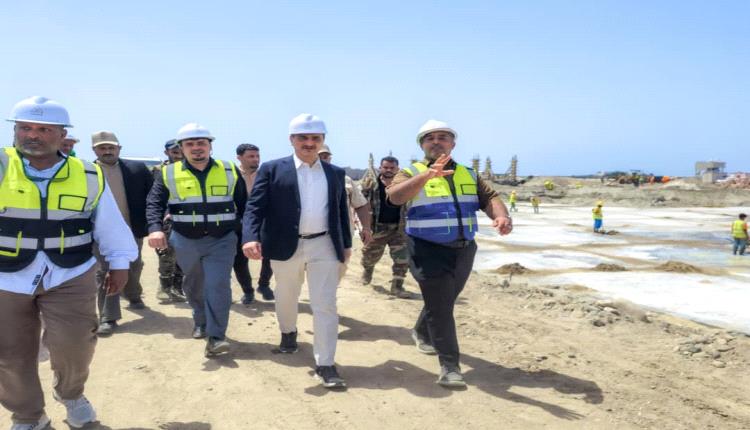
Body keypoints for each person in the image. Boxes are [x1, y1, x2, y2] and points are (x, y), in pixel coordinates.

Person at [0, 96, 137, 429]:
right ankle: (28, 415)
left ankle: (71, 394)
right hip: (5, 276)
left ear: (63, 134)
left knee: (76, 343)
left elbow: (108, 221)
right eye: (25, 128)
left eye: (44, 129)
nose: (33, 135)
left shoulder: (88, 173)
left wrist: (120, 261)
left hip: (71, 272)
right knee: (8, 354)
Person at [387, 119, 512, 388]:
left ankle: (421, 331)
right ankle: (450, 366)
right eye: (429, 138)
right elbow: (395, 197)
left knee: (444, 300)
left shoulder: (469, 173)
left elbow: (490, 197)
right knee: (441, 307)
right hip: (426, 248)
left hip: (463, 249)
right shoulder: (410, 173)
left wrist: (501, 216)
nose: (436, 142)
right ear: (422, 145)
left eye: (442, 137)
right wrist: (427, 176)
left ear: (452, 144)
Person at [243, 114, 352, 389]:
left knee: (325, 303)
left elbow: (341, 212)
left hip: (324, 244)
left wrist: (346, 245)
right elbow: (255, 207)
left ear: (322, 141)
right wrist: (250, 237)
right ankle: (288, 333)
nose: (309, 143)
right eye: (303, 138)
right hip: (284, 244)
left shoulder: (335, 173)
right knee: (286, 294)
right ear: (292, 140)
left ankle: (325, 364)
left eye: (316, 138)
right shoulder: (272, 169)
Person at [146, 123, 246, 357]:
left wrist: (249, 236)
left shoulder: (229, 169)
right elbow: (154, 202)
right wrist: (155, 229)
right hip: (185, 239)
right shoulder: (168, 173)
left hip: (222, 239)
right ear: (181, 148)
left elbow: (245, 205)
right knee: (194, 284)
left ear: (210, 146)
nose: (196, 148)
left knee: (218, 285)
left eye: (201, 143)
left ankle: (216, 336)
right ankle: (200, 320)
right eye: (190, 144)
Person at [91, 131, 154, 335]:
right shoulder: (87, 172)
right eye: (102, 148)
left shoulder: (137, 169)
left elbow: (153, 196)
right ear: (94, 150)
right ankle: (108, 317)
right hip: (100, 232)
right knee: (105, 270)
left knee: (133, 265)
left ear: (119, 149)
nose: (107, 151)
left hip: (131, 228)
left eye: (111, 147)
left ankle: (133, 294)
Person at [359, 156, 410, 298]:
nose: (388, 170)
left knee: (403, 258)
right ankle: (368, 270)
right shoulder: (371, 184)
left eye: (392, 168)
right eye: (385, 167)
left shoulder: (404, 184)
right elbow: (361, 203)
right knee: (369, 256)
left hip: (399, 228)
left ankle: (397, 286)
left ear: (397, 169)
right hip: (378, 228)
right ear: (380, 168)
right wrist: (364, 225)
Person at [234, 143, 274, 304]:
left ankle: (264, 285)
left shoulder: (266, 174)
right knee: (240, 259)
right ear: (239, 158)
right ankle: (247, 291)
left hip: (264, 220)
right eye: (251, 156)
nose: (255, 159)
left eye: (257, 156)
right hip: (239, 221)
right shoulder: (232, 174)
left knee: (270, 254)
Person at [151, 139, 186, 302]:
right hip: (164, 218)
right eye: (174, 152)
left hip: (185, 217)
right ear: (167, 153)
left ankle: (177, 288)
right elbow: (154, 197)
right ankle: (164, 287)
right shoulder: (159, 170)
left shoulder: (190, 168)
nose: (178, 155)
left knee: (183, 254)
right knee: (166, 253)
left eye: (180, 151)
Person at [317, 144, 372, 246]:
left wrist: (366, 228)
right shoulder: (301, 180)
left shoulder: (344, 180)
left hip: (341, 236)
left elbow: (360, 204)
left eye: (325, 157)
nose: (322, 160)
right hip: (312, 238)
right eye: (318, 157)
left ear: (330, 158)